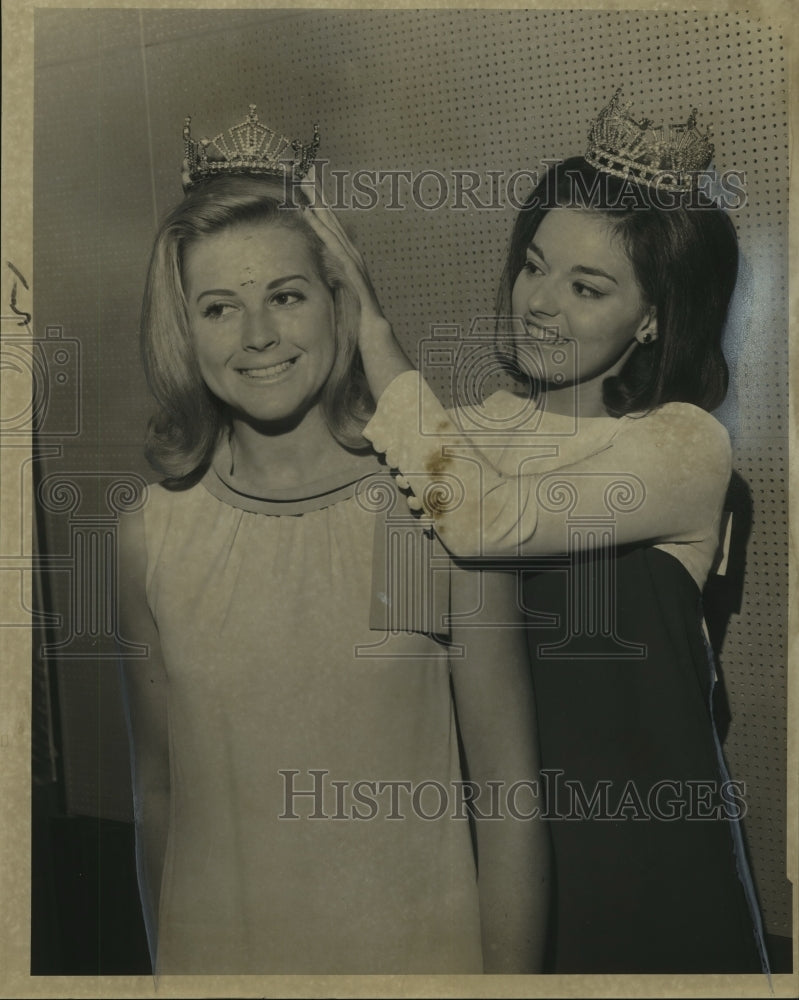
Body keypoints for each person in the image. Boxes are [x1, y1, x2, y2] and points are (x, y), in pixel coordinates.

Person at [304, 90, 770, 974]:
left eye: (586, 286)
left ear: (653, 317)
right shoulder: (454, 441)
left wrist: (374, 332)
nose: (539, 303)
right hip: (495, 867)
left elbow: (481, 518)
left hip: (649, 870)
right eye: (533, 264)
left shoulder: (682, 445)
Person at [116, 106, 549, 976]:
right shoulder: (148, 537)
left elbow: (509, 800)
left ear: (339, 303)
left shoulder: (440, 505)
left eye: (285, 295)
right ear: (184, 330)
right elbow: (158, 793)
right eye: (218, 307)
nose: (257, 337)